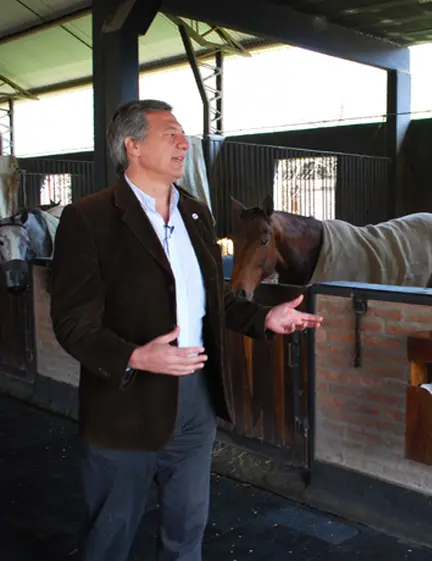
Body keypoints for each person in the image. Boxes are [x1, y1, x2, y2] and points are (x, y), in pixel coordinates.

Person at [49, 99, 323, 561]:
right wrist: (134, 357)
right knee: (109, 537)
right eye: (170, 134)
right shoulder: (89, 219)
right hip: (125, 404)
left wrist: (265, 318)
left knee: (186, 531)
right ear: (133, 146)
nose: (183, 143)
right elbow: (72, 323)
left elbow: (211, 302)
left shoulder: (197, 215)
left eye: (183, 135)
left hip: (195, 401)